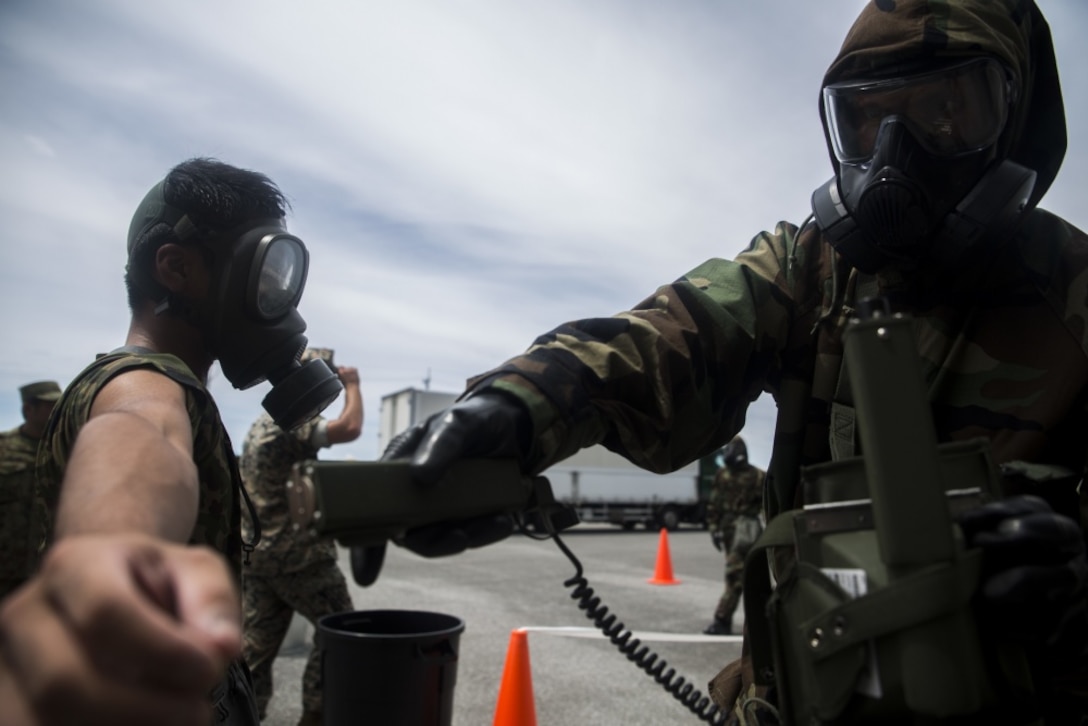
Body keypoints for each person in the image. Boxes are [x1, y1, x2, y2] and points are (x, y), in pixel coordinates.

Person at [375, 1, 1087, 723]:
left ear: (1014, 116)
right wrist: (516, 406)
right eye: (869, 120)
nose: (899, 153)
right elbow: (670, 334)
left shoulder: (1076, 298)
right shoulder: (813, 268)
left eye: (945, 111)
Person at [0, 157, 342, 725]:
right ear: (175, 268)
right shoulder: (147, 382)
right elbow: (140, 429)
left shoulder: (159, 384)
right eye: (260, 272)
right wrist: (113, 552)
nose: (274, 298)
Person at [240, 347, 362, 726]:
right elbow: (349, 428)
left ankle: (244, 716)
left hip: (260, 556)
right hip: (299, 557)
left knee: (256, 647)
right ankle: (315, 714)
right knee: (340, 633)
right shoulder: (293, 419)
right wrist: (355, 385)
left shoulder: (263, 421)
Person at [0, 381, 63, 601]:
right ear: (28, 409)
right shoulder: (4, 448)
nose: (57, 410)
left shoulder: (64, 451)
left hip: (47, 568)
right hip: (6, 568)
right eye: (50, 405)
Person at [703, 436, 765, 637]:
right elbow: (714, 504)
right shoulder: (724, 475)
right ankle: (758, 621)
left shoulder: (757, 476)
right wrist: (714, 528)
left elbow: (767, 505)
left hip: (745, 532)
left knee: (736, 575)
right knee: (742, 575)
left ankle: (722, 619)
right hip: (731, 532)